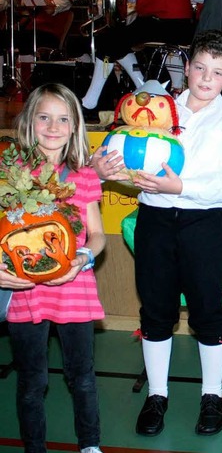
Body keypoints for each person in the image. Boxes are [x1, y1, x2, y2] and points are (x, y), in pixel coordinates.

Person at [92, 29, 222, 436]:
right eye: (199, 67)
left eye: (216, 72)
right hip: (156, 223)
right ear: (188, 67)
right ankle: (156, 395)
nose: (205, 78)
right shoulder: (155, 110)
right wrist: (108, 170)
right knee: (156, 310)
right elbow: (132, 162)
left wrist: (180, 187)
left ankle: (213, 395)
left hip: (204, 225)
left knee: (207, 310)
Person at [0, 83, 106, 453]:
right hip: (24, 292)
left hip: (74, 288)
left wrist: (82, 259)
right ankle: (34, 448)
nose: (53, 126)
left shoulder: (84, 177)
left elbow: (97, 235)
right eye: (44, 117)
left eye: (63, 118)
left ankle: (90, 445)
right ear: (30, 121)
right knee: (32, 380)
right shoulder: (9, 175)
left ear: (75, 126)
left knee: (83, 377)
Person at [81, 0, 194, 116]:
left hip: (174, 22)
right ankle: (142, 87)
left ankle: (93, 101)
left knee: (111, 41)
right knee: (110, 41)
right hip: (152, 21)